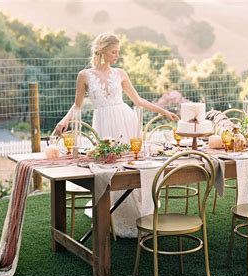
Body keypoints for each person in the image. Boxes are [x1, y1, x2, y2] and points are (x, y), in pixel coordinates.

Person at [55, 33, 179, 238]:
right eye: (114, 52)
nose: (117, 55)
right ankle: (113, 212)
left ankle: (140, 211)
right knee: (109, 166)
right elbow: (77, 106)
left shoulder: (120, 73)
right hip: (103, 123)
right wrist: (64, 121)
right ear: (102, 51)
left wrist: (164, 112)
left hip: (125, 120)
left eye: (118, 52)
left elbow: (138, 101)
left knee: (129, 165)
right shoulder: (84, 75)